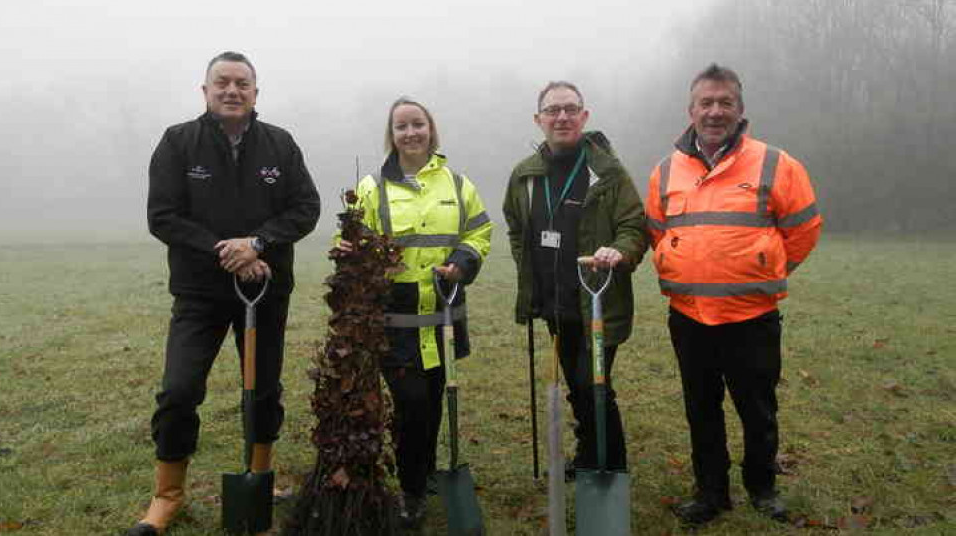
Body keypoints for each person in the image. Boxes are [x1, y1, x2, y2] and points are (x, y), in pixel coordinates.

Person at [128, 51, 320, 536]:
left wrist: (258, 244)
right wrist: (225, 251)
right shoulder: (178, 142)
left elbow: (306, 207)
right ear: (206, 90)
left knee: (262, 388)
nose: (232, 91)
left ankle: (260, 474)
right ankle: (167, 495)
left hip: (265, 289)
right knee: (178, 390)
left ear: (256, 92)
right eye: (222, 83)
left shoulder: (279, 144)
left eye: (242, 84)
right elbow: (163, 216)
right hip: (199, 293)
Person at [646, 64, 822, 525]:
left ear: (740, 109)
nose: (715, 111)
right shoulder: (665, 172)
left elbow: (803, 230)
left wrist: (766, 268)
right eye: (706, 103)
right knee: (701, 410)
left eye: (725, 102)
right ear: (691, 110)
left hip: (752, 316)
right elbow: (656, 232)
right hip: (688, 316)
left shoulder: (776, 164)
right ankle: (711, 492)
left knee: (757, 410)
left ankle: (763, 488)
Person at [336, 97, 492, 528]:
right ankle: (411, 490)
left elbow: (479, 230)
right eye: (401, 126)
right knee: (411, 404)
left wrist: (462, 261)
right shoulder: (372, 188)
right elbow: (351, 237)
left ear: (430, 129)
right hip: (395, 319)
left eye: (417, 124)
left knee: (434, 399)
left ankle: (421, 472)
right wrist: (349, 248)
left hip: (443, 311)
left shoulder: (458, 185)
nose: (411, 133)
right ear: (392, 135)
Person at [502, 81, 647, 478]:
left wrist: (620, 251)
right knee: (577, 383)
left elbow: (634, 225)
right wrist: (526, 265)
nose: (561, 116)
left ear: (584, 116)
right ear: (538, 120)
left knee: (593, 384)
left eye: (570, 109)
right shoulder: (524, 175)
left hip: (598, 300)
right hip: (553, 304)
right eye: (552, 110)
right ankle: (588, 453)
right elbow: (516, 227)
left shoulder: (607, 172)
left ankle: (611, 467)